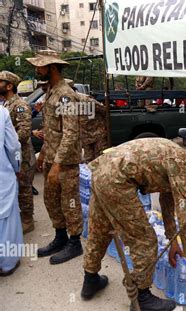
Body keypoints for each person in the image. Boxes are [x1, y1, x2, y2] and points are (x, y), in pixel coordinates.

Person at [81, 138, 186, 311]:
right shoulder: (184, 169)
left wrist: (172, 241)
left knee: (100, 228)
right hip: (117, 181)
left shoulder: (178, 159)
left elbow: (167, 204)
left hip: (102, 172)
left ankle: (90, 280)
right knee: (145, 239)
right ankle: (142, 298)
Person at [27, 50, 83, 265]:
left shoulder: (65, 94)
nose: (36, 70)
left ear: (51, 68)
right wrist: (43, 157)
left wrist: (57, 164)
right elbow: (53, 128)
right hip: (52, 158)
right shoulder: (50, 91)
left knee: (69, 202)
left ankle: (74, 242)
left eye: (39, 66)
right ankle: (60, 238)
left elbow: (71, 133)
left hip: (65, 163)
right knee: (51, 200)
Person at [0, 71, 36, 234]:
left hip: (21, 155)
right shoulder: (6, 105)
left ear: (9, 86)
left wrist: (6, 137)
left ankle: (28, 220)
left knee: (24, 188)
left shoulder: (20, 105)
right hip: (11, 154)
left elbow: (23, 133)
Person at [0, 106, 23, 275]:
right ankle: (7, 263)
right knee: (5, 219)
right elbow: (13, 146)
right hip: (2, 176)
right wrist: (17, 166)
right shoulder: (2, 112)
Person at [65, 79, 108, 163]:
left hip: (97, 134)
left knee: (101, 159)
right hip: (84, 137)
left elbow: (103, 110)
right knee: (89, 161)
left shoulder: (85, 99)